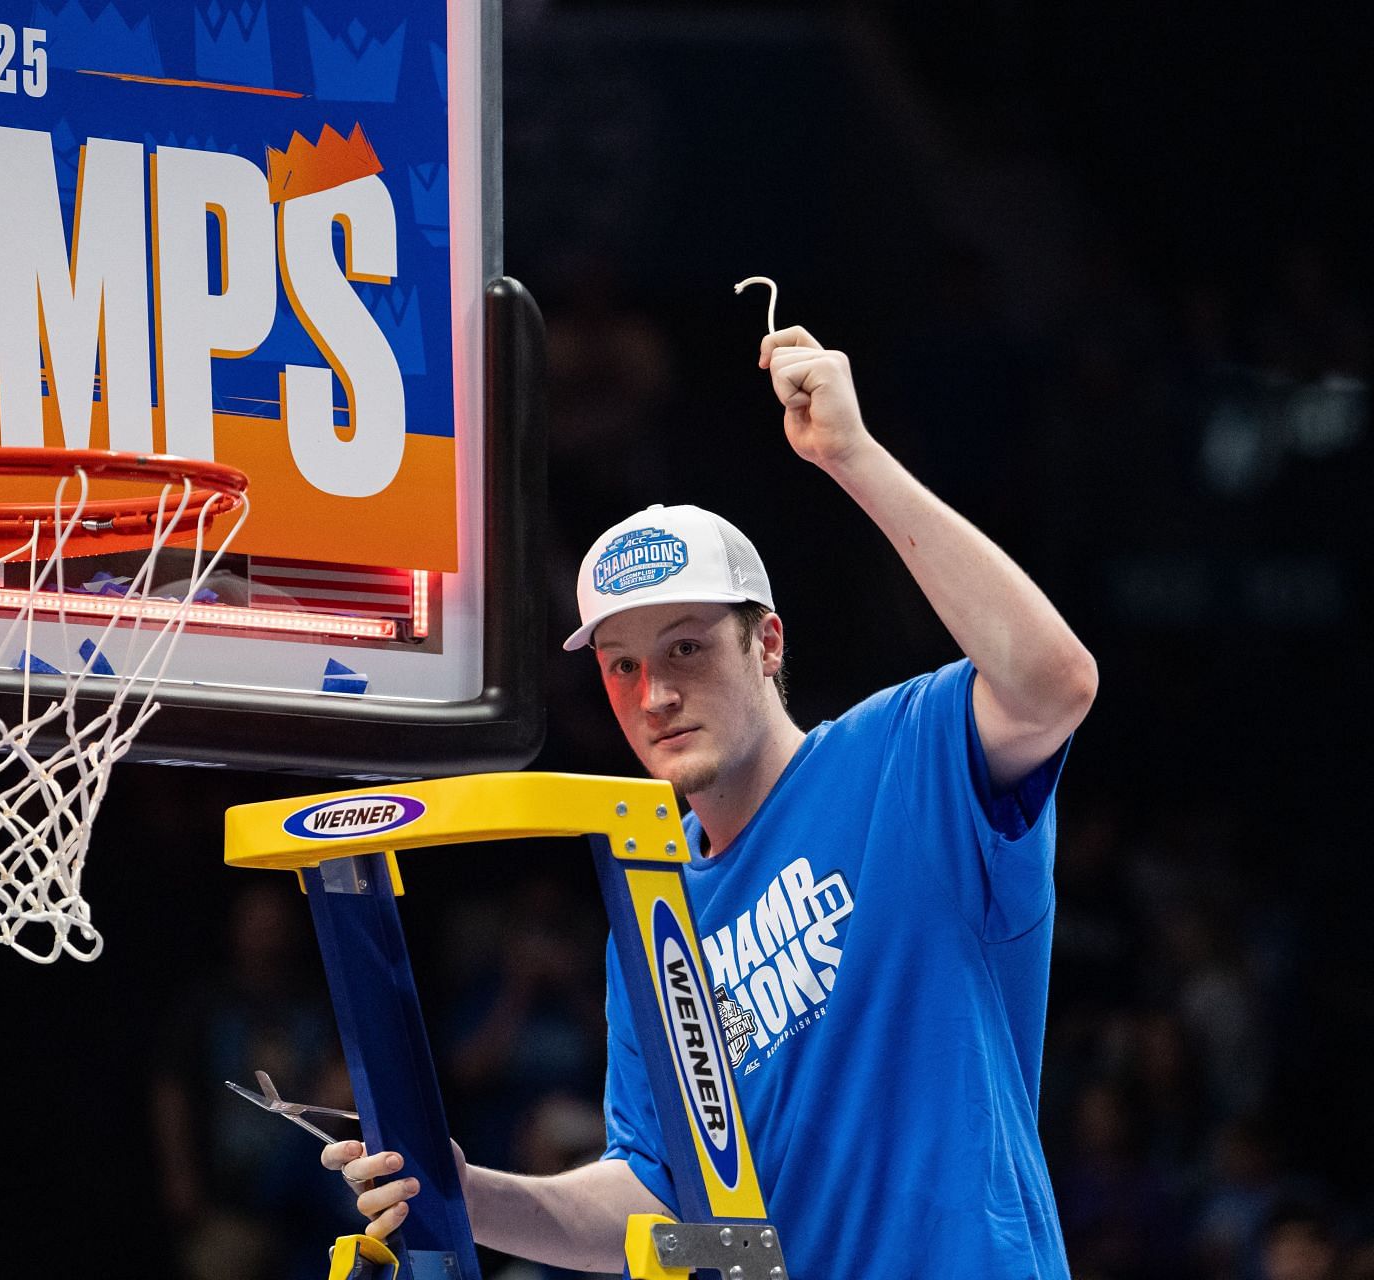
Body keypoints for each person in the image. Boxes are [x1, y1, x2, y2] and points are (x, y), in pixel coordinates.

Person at [320, 324, 1098, 1277]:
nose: (654, 695)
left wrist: (853, 458)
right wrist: (467, 1190)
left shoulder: (902, 754)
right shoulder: (650, 902)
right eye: (623, 666)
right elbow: (652, 1191)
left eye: (687, 648)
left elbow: (1054, 683)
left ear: (766, 644)